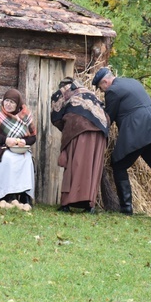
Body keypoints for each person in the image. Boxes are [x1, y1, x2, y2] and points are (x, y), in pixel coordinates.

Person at [92, 67, 151, 220]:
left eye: (101, 87)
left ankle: (126, 208)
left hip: (138, 131)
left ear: (105, 82)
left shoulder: (112, 91)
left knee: (118, 164)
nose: (102, 91)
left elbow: (109, 118)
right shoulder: (132, 82)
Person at [50, 78, 109, 213]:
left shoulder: (62, 93)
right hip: (101, 131)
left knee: (73, 164)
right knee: (92, 167)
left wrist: (65, 138)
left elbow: (56, 117)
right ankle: (89, 205)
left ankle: (66, 203)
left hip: (79, 127)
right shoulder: (88, 93)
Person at [0, 89, 36, 206]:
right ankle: (6, 194)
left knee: (27, 160)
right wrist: (5, 140)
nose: (8, 104)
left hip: (17, 148)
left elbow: (33, 137)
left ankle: (25, 195)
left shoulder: (25, 114)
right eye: (7, 101)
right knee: (9, 160)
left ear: (18, 104)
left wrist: (23, 141)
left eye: (12, 102)